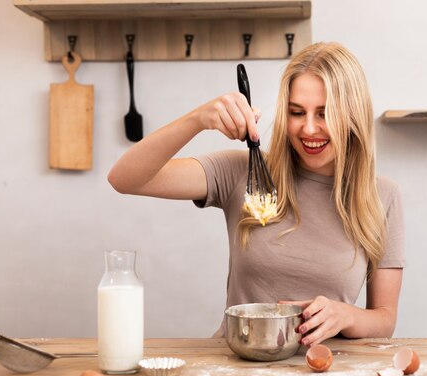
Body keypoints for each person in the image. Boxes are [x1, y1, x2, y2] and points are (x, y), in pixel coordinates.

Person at [108, 42, 405, 347]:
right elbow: (125, 178)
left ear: (353, 115)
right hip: (238, 369)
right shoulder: (243, 173)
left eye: (325, 113)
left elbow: (384, 319)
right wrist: (198, 119)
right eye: (296, 112)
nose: (309, 128)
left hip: (324, 372)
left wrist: (347, 315)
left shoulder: (383, 196)